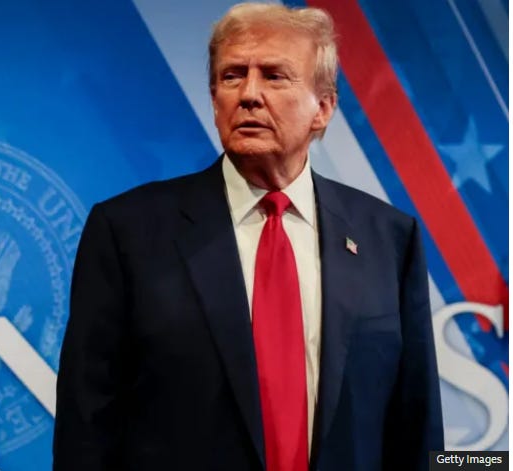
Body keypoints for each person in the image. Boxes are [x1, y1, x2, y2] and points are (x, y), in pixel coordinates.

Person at [53, 3, 443, 471]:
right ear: (214, 97)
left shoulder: (388, 238)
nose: (249, 94)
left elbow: (417, 427)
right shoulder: (127, 232)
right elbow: (85, 428)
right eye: (232, 76)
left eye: (275, 76)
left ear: (323, 108)